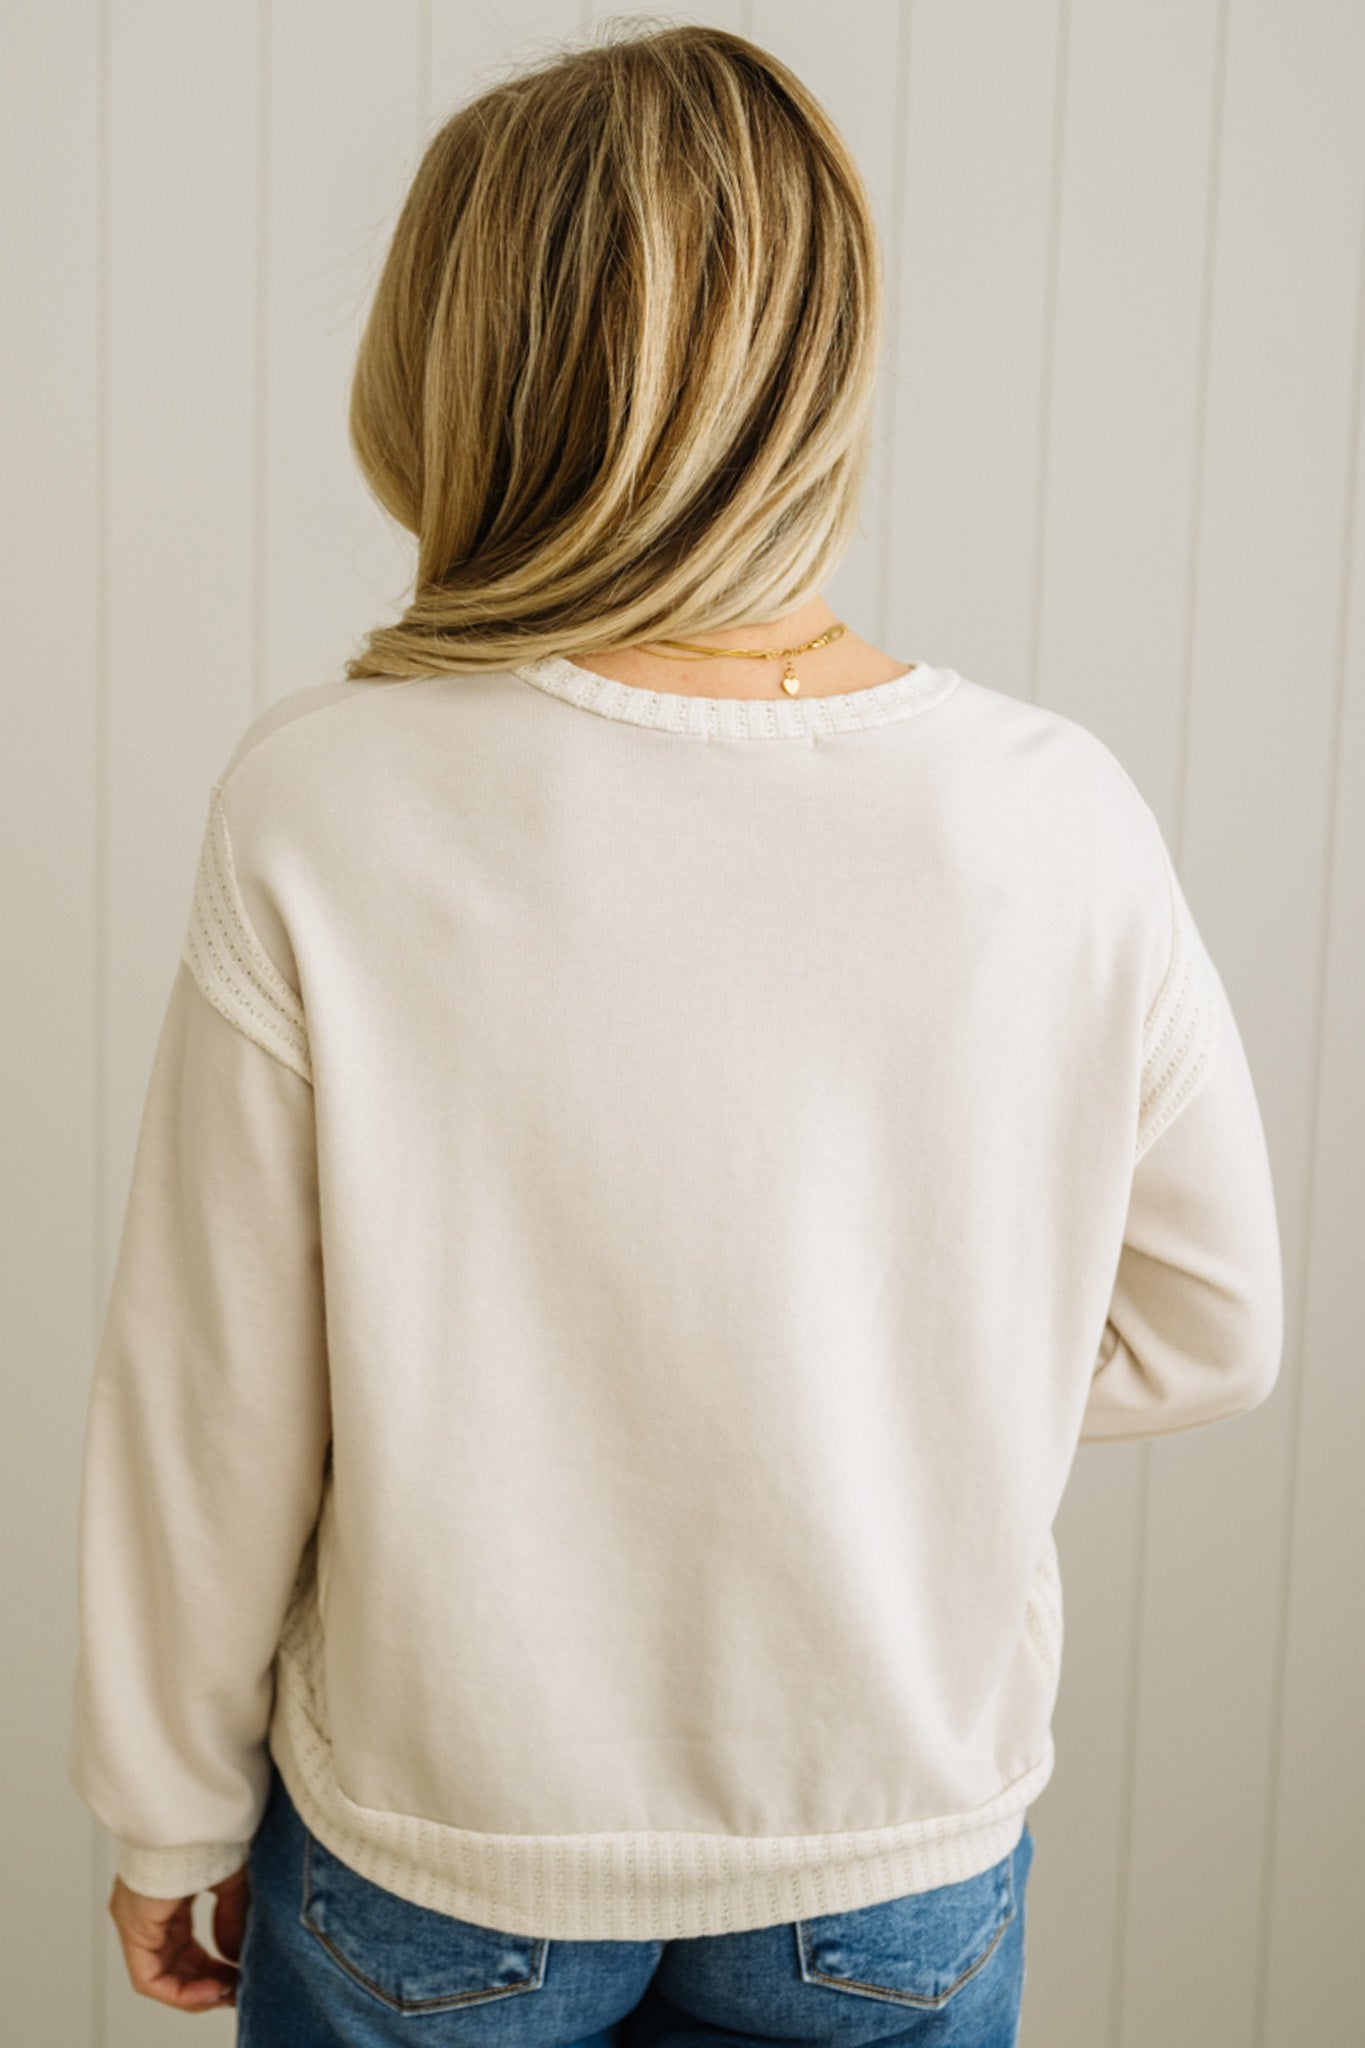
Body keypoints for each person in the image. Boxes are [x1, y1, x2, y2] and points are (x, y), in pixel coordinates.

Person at [68, 22, 1283, 2047]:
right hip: (890, 1846)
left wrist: (165, 1802)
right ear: (827, 367)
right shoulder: (1046, 809)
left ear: (455, 376)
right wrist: (857, 1388)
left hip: (442, 1856)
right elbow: (1207, 1324)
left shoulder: (325, 803)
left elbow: (212, 1396)